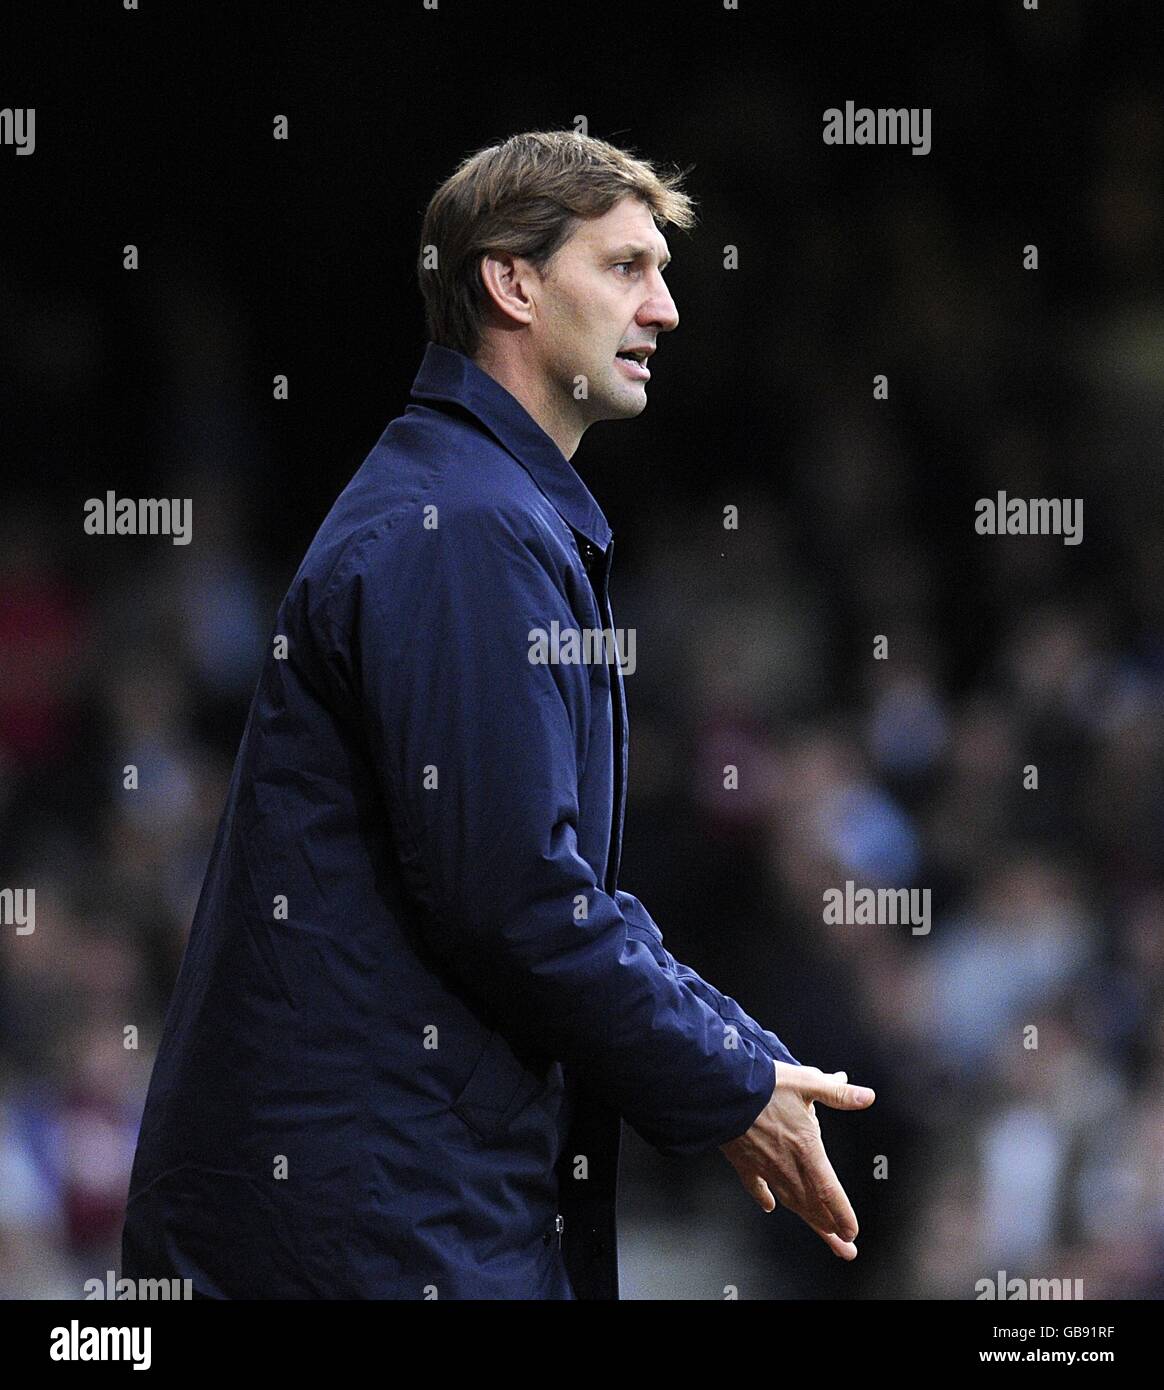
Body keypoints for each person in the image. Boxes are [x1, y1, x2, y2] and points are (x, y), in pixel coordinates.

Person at [121, 129, 874, 1300]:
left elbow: (542, 888)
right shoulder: (463, 526)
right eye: (626, 267)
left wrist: (745, 1061)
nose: (665, 309)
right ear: (510, 282)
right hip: (367, 1234)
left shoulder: (477, 505)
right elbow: (517, 895)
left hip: (390, 1210)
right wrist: (730, 1086)